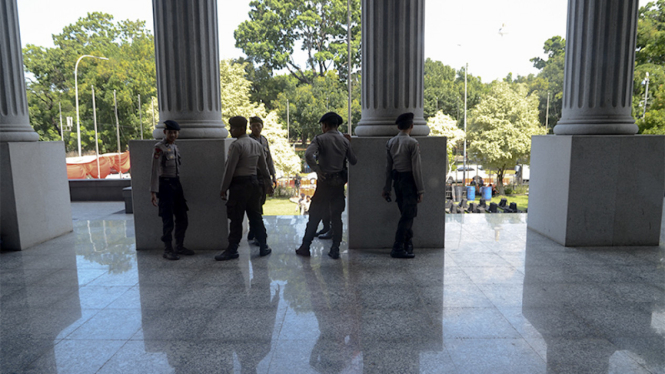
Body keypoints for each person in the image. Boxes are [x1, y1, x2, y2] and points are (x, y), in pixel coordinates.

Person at [296, 112, 357, 259]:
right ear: (337, 126)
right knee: (336, 217)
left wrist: (317, 169)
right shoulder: (344, 141)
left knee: (315, 216)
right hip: (338, 184)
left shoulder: (320, 139)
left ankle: (305, 247)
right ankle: (335, 249)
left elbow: (308, 155)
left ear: (325, 125)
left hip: (324, 184)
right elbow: (353, 160)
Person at [216, 116, 273, 261]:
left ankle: (232, 249)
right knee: (255, 216)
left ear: (241, 129)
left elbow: (230, 169)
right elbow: (264, 167)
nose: (230, 130)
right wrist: (269, 183)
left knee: (236, 218)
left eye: (233, 128)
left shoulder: (236, 145)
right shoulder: (257, 144)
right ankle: (263, 246)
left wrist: (223, 188)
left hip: (239, 186)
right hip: (254, 184)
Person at [150, 120, 194, 260]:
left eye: (175, 132)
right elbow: (155, 171)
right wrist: (153, 191)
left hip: (176, 184)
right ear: (165, 132)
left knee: (182, 217)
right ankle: (168, 249)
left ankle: (179, 246)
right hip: (165, 186)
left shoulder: (175, 147)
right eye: (170, 132)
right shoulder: (159, 148)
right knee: (167, 219)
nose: (173, 135)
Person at [381, 112, 424, 259]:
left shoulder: (390, 142)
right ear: (411, 126)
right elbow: (416, 169)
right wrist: (420, 189)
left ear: (398, 127)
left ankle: (407, 244)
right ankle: (398, 246)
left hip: (397, 182)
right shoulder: (413, 143)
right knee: (408, 215)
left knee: (406, 215)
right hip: (409, 182)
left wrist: (386, 188)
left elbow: (388, 168)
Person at [247, 116, 277, 246]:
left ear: (262, 126)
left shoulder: (264, 140)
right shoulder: (248, 140)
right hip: (253, 175)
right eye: (253, 125)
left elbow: (268, 159)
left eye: (258, 125)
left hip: (263, 176)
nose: (256, 128)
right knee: (255, 205)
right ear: (250, 127)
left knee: (261, 202)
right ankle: (255, 232)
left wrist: (273, 175)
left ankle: (253, 231)